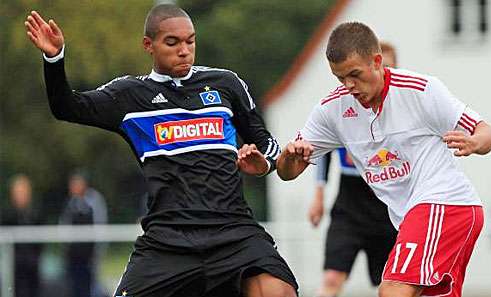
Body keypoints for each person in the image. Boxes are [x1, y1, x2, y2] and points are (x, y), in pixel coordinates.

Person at [25, 4, 297, 297]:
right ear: (148, 45)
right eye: (173, 42)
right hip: (169, 241)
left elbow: (267, 143)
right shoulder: (128, 95)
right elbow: (67, 107)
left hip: (233, 231)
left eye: (190, 41)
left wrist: (264, 163)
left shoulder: (226, 85)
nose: (184, 50)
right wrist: (54, 59)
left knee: (278, 291)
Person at [277, 22, 491, 297]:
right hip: (410, 216)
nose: (349, 86)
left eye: (355, 74)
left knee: (393, 289)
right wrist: (287, 157)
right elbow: (288, 170)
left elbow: (487, 133)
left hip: (444, 203)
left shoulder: (421, 89)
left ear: (377, 61)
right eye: (340, 78)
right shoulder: (331, 109)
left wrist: (475, 142)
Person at [308, 42, 398, 297]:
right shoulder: (343, 107)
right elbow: (322, 147)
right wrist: (319, 194)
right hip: (349, 206)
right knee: (331, 278)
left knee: (390, 286)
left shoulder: (403, 108)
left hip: (389, 206)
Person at [59, 172, 108, 297]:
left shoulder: (94, 200)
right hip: (73, 256)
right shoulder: (70, 203)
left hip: (89, 256)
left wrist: (98, 252)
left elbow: (100, 225)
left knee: (91, 287)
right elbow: (64, 226)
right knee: (74, 288)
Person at [2, 174, 43, 297]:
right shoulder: (8, 214)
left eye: (23, 191)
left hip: (32, 264)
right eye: (17, 192)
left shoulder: (36, 213)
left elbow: (41, 241)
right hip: (14, 264)